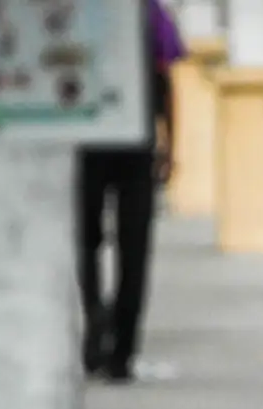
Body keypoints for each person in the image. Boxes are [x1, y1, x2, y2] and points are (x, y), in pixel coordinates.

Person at [77, 0, 184, 383]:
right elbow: (167, 80)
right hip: (103, 144)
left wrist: (170, 145)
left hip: (115, 145)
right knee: (109, 244)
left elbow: (165, 78)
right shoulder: (147, 10)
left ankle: (114, 341)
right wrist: (170, 144)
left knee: (116, 246)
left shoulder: (147, 11)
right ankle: (105, 335)